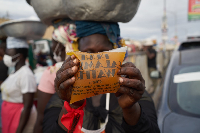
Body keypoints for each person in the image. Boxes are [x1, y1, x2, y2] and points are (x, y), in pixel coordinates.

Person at [43, 21, 160, 133]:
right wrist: (72, 106)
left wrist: (130, 109)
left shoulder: (131, 93)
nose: (95, 61)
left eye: (104, 53)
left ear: (116, 53)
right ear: (77, 54)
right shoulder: (65, 96)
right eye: (88, 53)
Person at [33, 24, 77, 133]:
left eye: (53, 42)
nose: (52, 46)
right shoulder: (80, 68)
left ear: (60, 45)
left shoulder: (51, 72)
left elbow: (41, 117)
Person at [0, 37, 37, 133]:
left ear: (19, 56)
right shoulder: (14, 72)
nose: (6, 56)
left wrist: (19, 130)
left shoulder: (26, 74)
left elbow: (28, 105)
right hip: (9, 115)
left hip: (19, 117)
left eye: (8, 53)